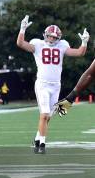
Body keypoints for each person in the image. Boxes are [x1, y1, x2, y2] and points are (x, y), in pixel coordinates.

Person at [16, 15, 89, 154]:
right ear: (45, 35)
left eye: (54, 37)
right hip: (42, 84)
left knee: (49, 116)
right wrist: (22, 29)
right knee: (43, 114)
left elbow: (79, 53)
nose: (51, 39)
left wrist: (84, 43)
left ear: (59, 38)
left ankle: (37, 138)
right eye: (49, 36)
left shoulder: (62, 46)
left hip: (55, 86)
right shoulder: (37, 44)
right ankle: (42, 144)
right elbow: (21, 44)